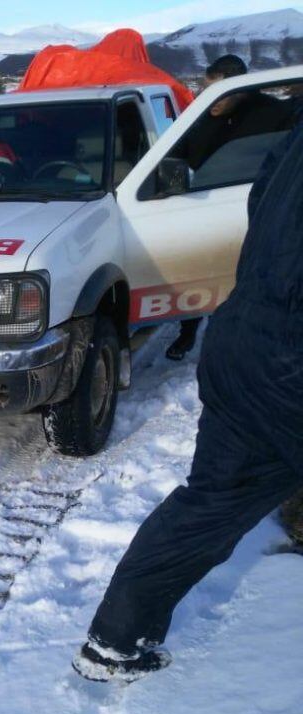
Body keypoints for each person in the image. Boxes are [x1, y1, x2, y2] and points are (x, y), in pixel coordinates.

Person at [72, 116, 303, 683]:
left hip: (244, 334)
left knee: (209, 503)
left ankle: (114, 642)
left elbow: (259, 198)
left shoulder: (295, 134)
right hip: (290, 351)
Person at [165, 54, 286, 362]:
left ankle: (255, 337)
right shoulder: (200, 118)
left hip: (263, 205)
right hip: (207, 207)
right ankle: (189, 329)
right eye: (206, 90)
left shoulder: (276, 113)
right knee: (198, 271)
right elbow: (174, 157)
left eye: (218, 92)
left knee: (259, 273)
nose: (211, 100)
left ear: (242, 88)